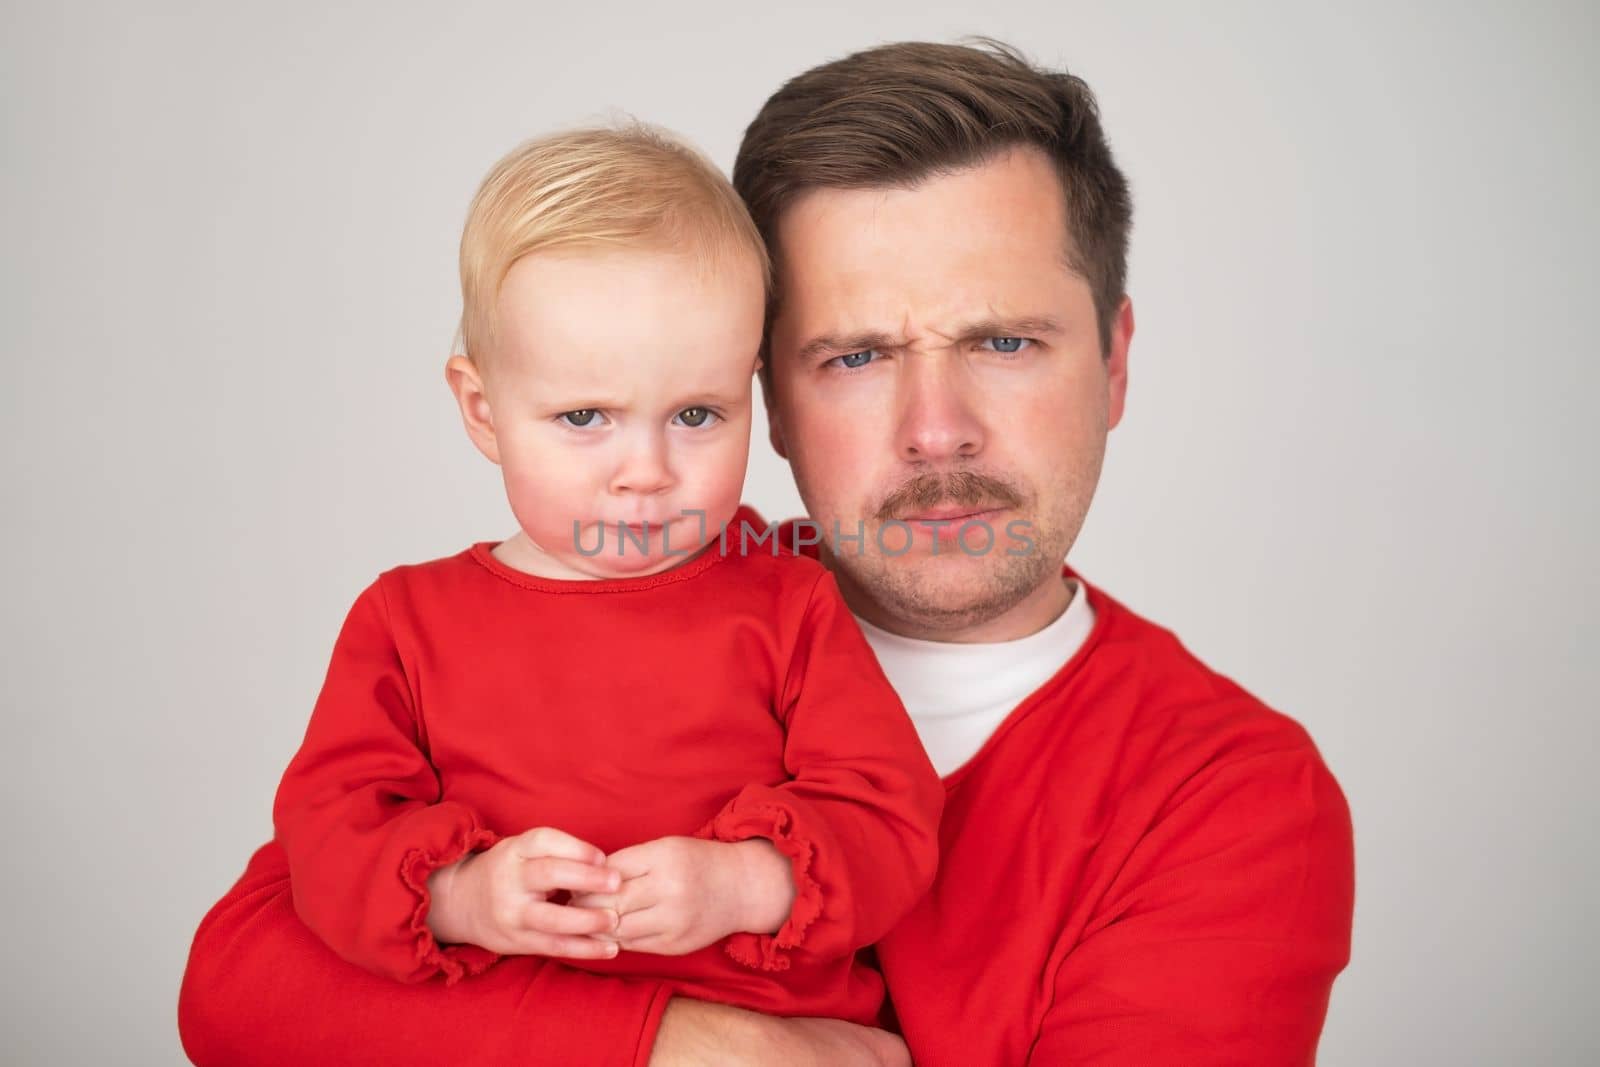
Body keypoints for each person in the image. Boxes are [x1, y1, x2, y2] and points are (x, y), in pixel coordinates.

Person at [179, 40, 1354, 1066]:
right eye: (851, 355)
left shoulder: (1230, 794)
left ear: (1114, 361)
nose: (934, 426)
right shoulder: (575, 609)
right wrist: (679, 1048)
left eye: (1003, 340)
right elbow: (240, 984)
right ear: (765, 394)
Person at [268, 124, 943, 1024]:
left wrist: (748, 882)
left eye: (698, 413)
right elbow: (325, 838)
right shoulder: (407, 622)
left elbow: (890, 817)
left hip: (770, 1030)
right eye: (586, 415)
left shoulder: (787, 599)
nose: (647, 470)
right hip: (513, 1028)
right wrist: (461, 898)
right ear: (483, 410)